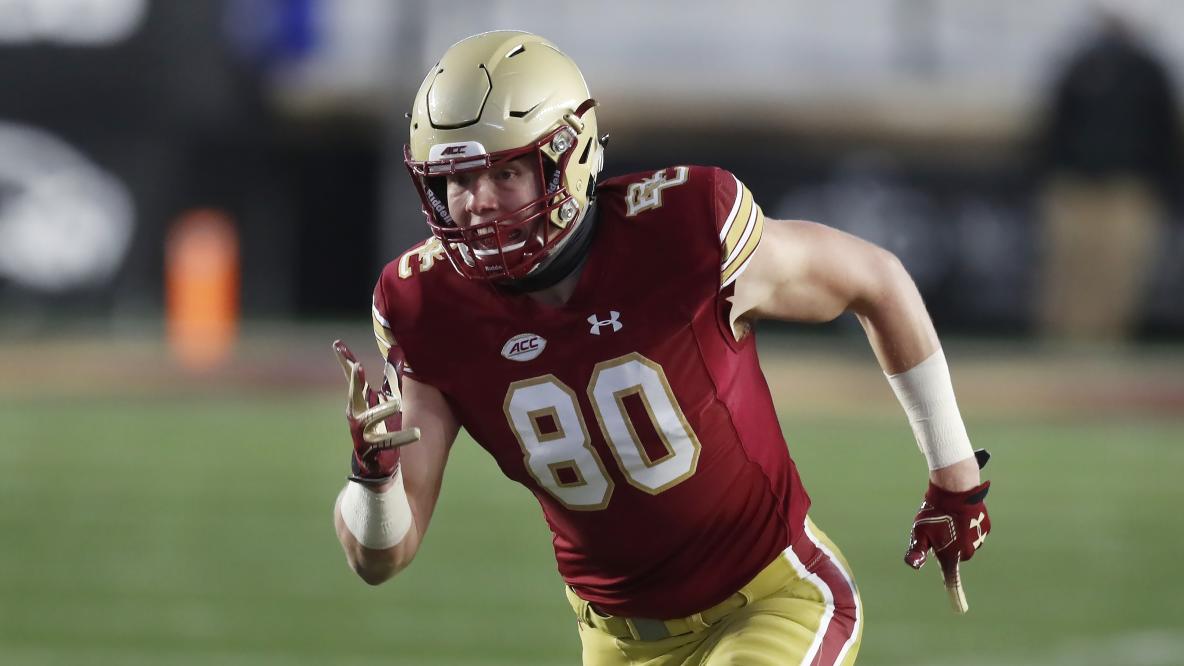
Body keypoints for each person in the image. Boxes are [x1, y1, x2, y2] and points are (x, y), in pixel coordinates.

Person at [330, 31, 992, 666]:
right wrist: (373, 479)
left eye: (505, 173)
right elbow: (381, 556)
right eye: (457, 179)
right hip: (615, 642)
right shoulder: (428, 305)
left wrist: (955, 476)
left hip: (768, 606)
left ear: (569, 154)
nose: (476, 204)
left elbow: (874, 279)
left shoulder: (682, 230)